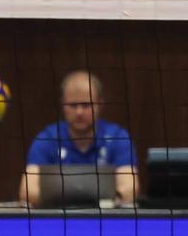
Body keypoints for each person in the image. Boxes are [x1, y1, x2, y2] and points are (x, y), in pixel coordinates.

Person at [18, 70, 138, 207]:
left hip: (105, 220)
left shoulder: (118, 137)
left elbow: (130, 189)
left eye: (87, 105)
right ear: (63, 104)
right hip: (58, 220)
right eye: (73, 105)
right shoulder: (47, 138)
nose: (79, 112)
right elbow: (27, 191)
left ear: (100, 104)